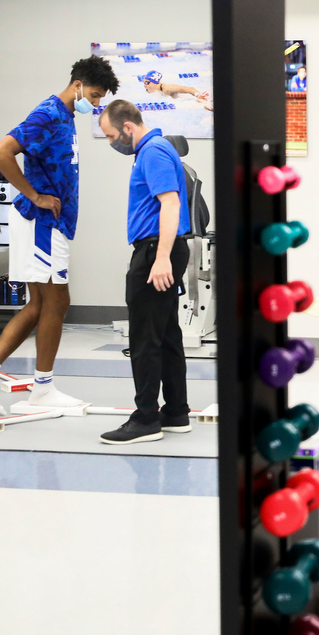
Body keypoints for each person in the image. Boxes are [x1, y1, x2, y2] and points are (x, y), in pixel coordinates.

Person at [0, 56, 119, 416]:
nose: (94, 105)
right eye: (93, 96)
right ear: (77, 85)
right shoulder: (48, 113)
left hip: (48, 224)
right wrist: (34, 195)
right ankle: (42, 388)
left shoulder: (65, 117)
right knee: (58, 302)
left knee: (39, 305)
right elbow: (0, 153)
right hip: (40, 223)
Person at [97, 100, 192, 445]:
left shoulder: (152, 151)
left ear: (127, 127)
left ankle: (146, 418)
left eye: (110, 136)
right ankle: (176, 412)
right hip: (160, 248)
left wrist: (162, 257)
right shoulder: (156, 149)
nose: (111, 143)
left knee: (144, 338)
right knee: (165, 334)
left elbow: (170, 202)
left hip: (155, 250)